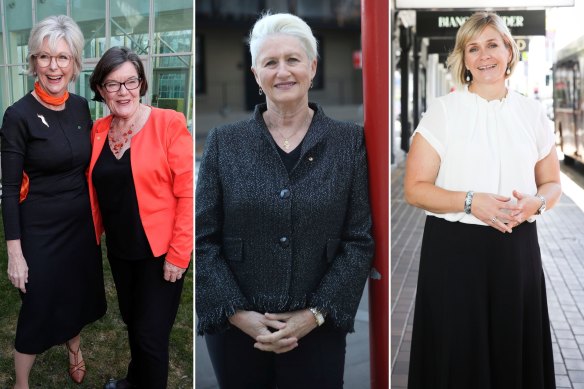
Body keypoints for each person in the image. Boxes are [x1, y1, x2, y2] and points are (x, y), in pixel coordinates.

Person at [196, 12, 374, 388]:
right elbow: (202, 238)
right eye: (270, 62)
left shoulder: (348, 142)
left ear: (312, 66)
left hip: (317, 328)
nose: (283, 72)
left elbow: (358, 240)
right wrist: (239, 314)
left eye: (292, 59)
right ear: (255, 74)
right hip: (237, 331)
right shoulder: (224, 143)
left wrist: (314, 314)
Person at [404, 11, 561, 389]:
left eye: (492, 44)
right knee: (458, 357)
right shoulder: (443, 111)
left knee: (513, 354)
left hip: (516, 248)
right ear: (464, 58)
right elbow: (415, 188)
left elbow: (552, 183)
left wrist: (536, 204)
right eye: (473, 48)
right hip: (455, 253)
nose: (484, 55)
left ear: (509, 49)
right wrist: (471, 201)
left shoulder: (533, 112)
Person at [1, 15, 107, 387]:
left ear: (75, 64)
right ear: (33, 62)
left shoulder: (80, 107)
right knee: (38, 304)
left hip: (79, 226)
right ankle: (21, 382)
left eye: (63, 58)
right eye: (44, 57)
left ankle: (74, 349)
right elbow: (10, 188)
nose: (53, 66)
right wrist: (15, 253)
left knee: (75, 294)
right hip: (40, 230)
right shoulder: (17, 116)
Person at [87, 46, 193, 389]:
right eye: (113, 84)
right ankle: (136, 380)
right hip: (120, 251)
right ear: (101, 89)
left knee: (151, 337)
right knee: (134, 322)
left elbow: (188, 195)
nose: (123, 92)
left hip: (160, 254)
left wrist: (178, 255)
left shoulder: (169, 123)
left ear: (142, 84)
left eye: (130, 82)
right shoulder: (99, 131)